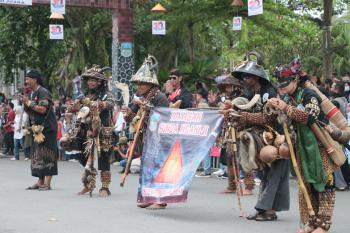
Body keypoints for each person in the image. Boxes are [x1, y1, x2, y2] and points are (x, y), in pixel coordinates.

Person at [268, 58, 339, 233]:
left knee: (324, 183)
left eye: (285, 83)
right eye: (280, 84)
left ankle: (324, 224)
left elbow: (310, 117)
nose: (281, 87)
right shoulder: (287, 96)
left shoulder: (308, 94)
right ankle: (312, 221)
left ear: (295, 80)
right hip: (301, 148)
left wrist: (286, 108)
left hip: (320, 146)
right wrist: (270, 108)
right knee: (307, 184)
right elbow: (272, 119)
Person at [227, 51, 290, 220]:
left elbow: (268, 117)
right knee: (265, 174)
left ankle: (265, 209)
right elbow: (245, 109)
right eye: (244, 77)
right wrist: (235, 117)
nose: (245, 80)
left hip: (278, 138)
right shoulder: (249, 93)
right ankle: (266, 209)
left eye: (248, 77)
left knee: (274, 174)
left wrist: (244, 117)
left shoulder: (269, 91)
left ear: (256, 77)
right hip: (262, 138)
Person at [123, 55, 169, 210]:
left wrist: (147, 109)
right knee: (147, 167)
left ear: (150, 83)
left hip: (159, 137)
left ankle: (161, 200)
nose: (140, 86)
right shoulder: (140, 97)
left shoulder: (160, 97)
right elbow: (132, 118)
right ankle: (148, 197)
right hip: (145, 136)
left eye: (143, 83)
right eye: (138, 83)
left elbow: (164, 118)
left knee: (158, 166)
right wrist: (128, 113)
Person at [67, 65, 115, 197]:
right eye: (89, 80)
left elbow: (111, 104)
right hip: (87, 130)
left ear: (100, 82)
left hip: (103, 130)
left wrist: (100, 104)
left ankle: (105, 187)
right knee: (86, 156)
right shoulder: (85, 94)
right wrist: (73, 108)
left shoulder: (106, 94)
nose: (91, 82)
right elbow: (78, 106)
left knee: (104, 158)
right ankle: (88, 185)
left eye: (94, 80)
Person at [23, 69, 58, 191]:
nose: (26, 81)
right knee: (38, 155)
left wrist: (29, 102)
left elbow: (42, 109)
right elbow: (30, 111)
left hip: (48, 128)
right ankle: (40, 181)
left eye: (28, 79)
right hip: (37, 129)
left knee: (48, 154)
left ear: (35, 80)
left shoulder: (43, 92)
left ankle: (47, 183)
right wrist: (25, 104)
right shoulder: (32, 94)